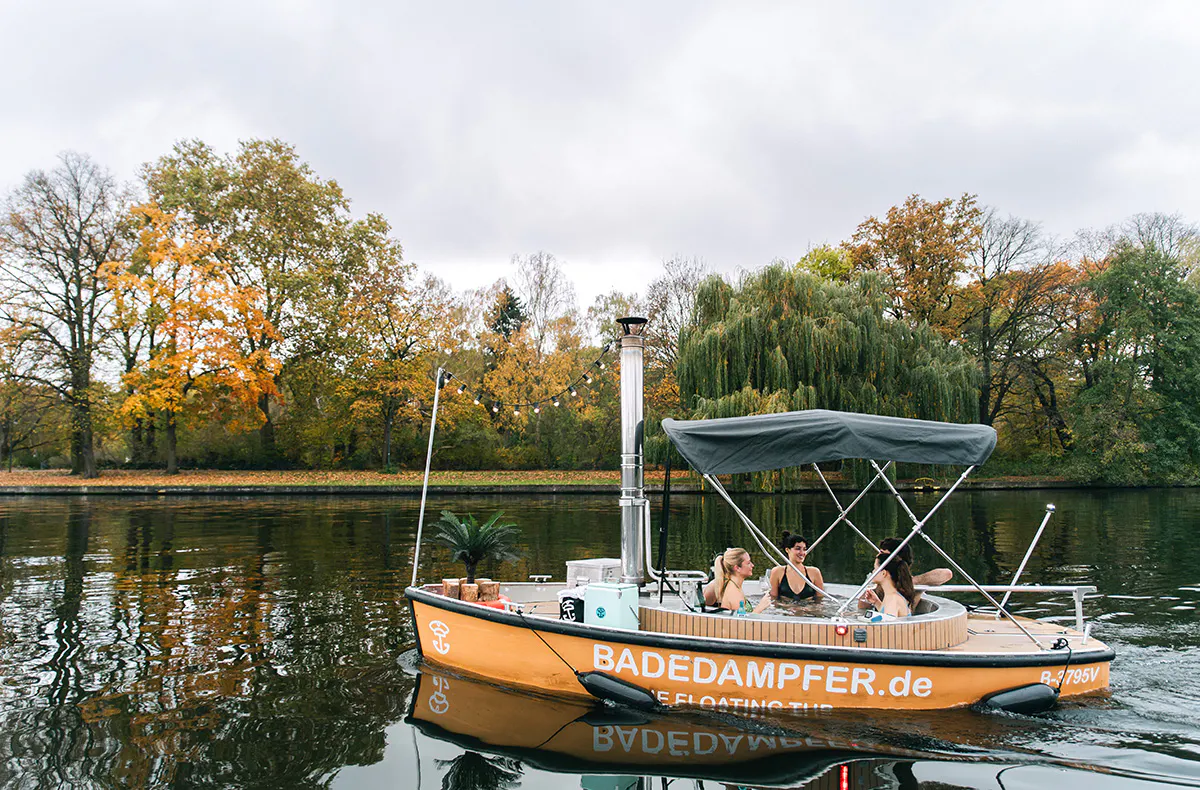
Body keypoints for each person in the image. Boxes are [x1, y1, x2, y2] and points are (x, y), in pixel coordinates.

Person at [857, 537, 952, 611]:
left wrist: (914, 581)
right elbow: (861, 607)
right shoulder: (878, 586)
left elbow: (946, 574)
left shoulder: (907, 589)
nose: (877, 556)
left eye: (882, 553)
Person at [708, 548, 772, 615]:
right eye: (748, 563)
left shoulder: (734, 585)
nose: (752, 565)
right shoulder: (733, 594)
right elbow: (742, 624)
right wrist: (759, 608)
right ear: (737, 568)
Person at [768, 532, 825, 602]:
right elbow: (773, 600)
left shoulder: (814, 572)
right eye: (798, 548)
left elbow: (820, 600)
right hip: (785, 611)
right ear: (787, 550)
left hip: (808, 611)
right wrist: (787, 608)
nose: (802, 553)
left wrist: (808, 609)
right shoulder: (777, 572)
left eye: (804, 549)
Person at [860, 548, 915, 618]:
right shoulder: (891, 595)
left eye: (875, 568)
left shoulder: (893, 599)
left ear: (883, 573)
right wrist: (877, 603)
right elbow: (887, 615)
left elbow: (887, 627)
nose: (873, 572)